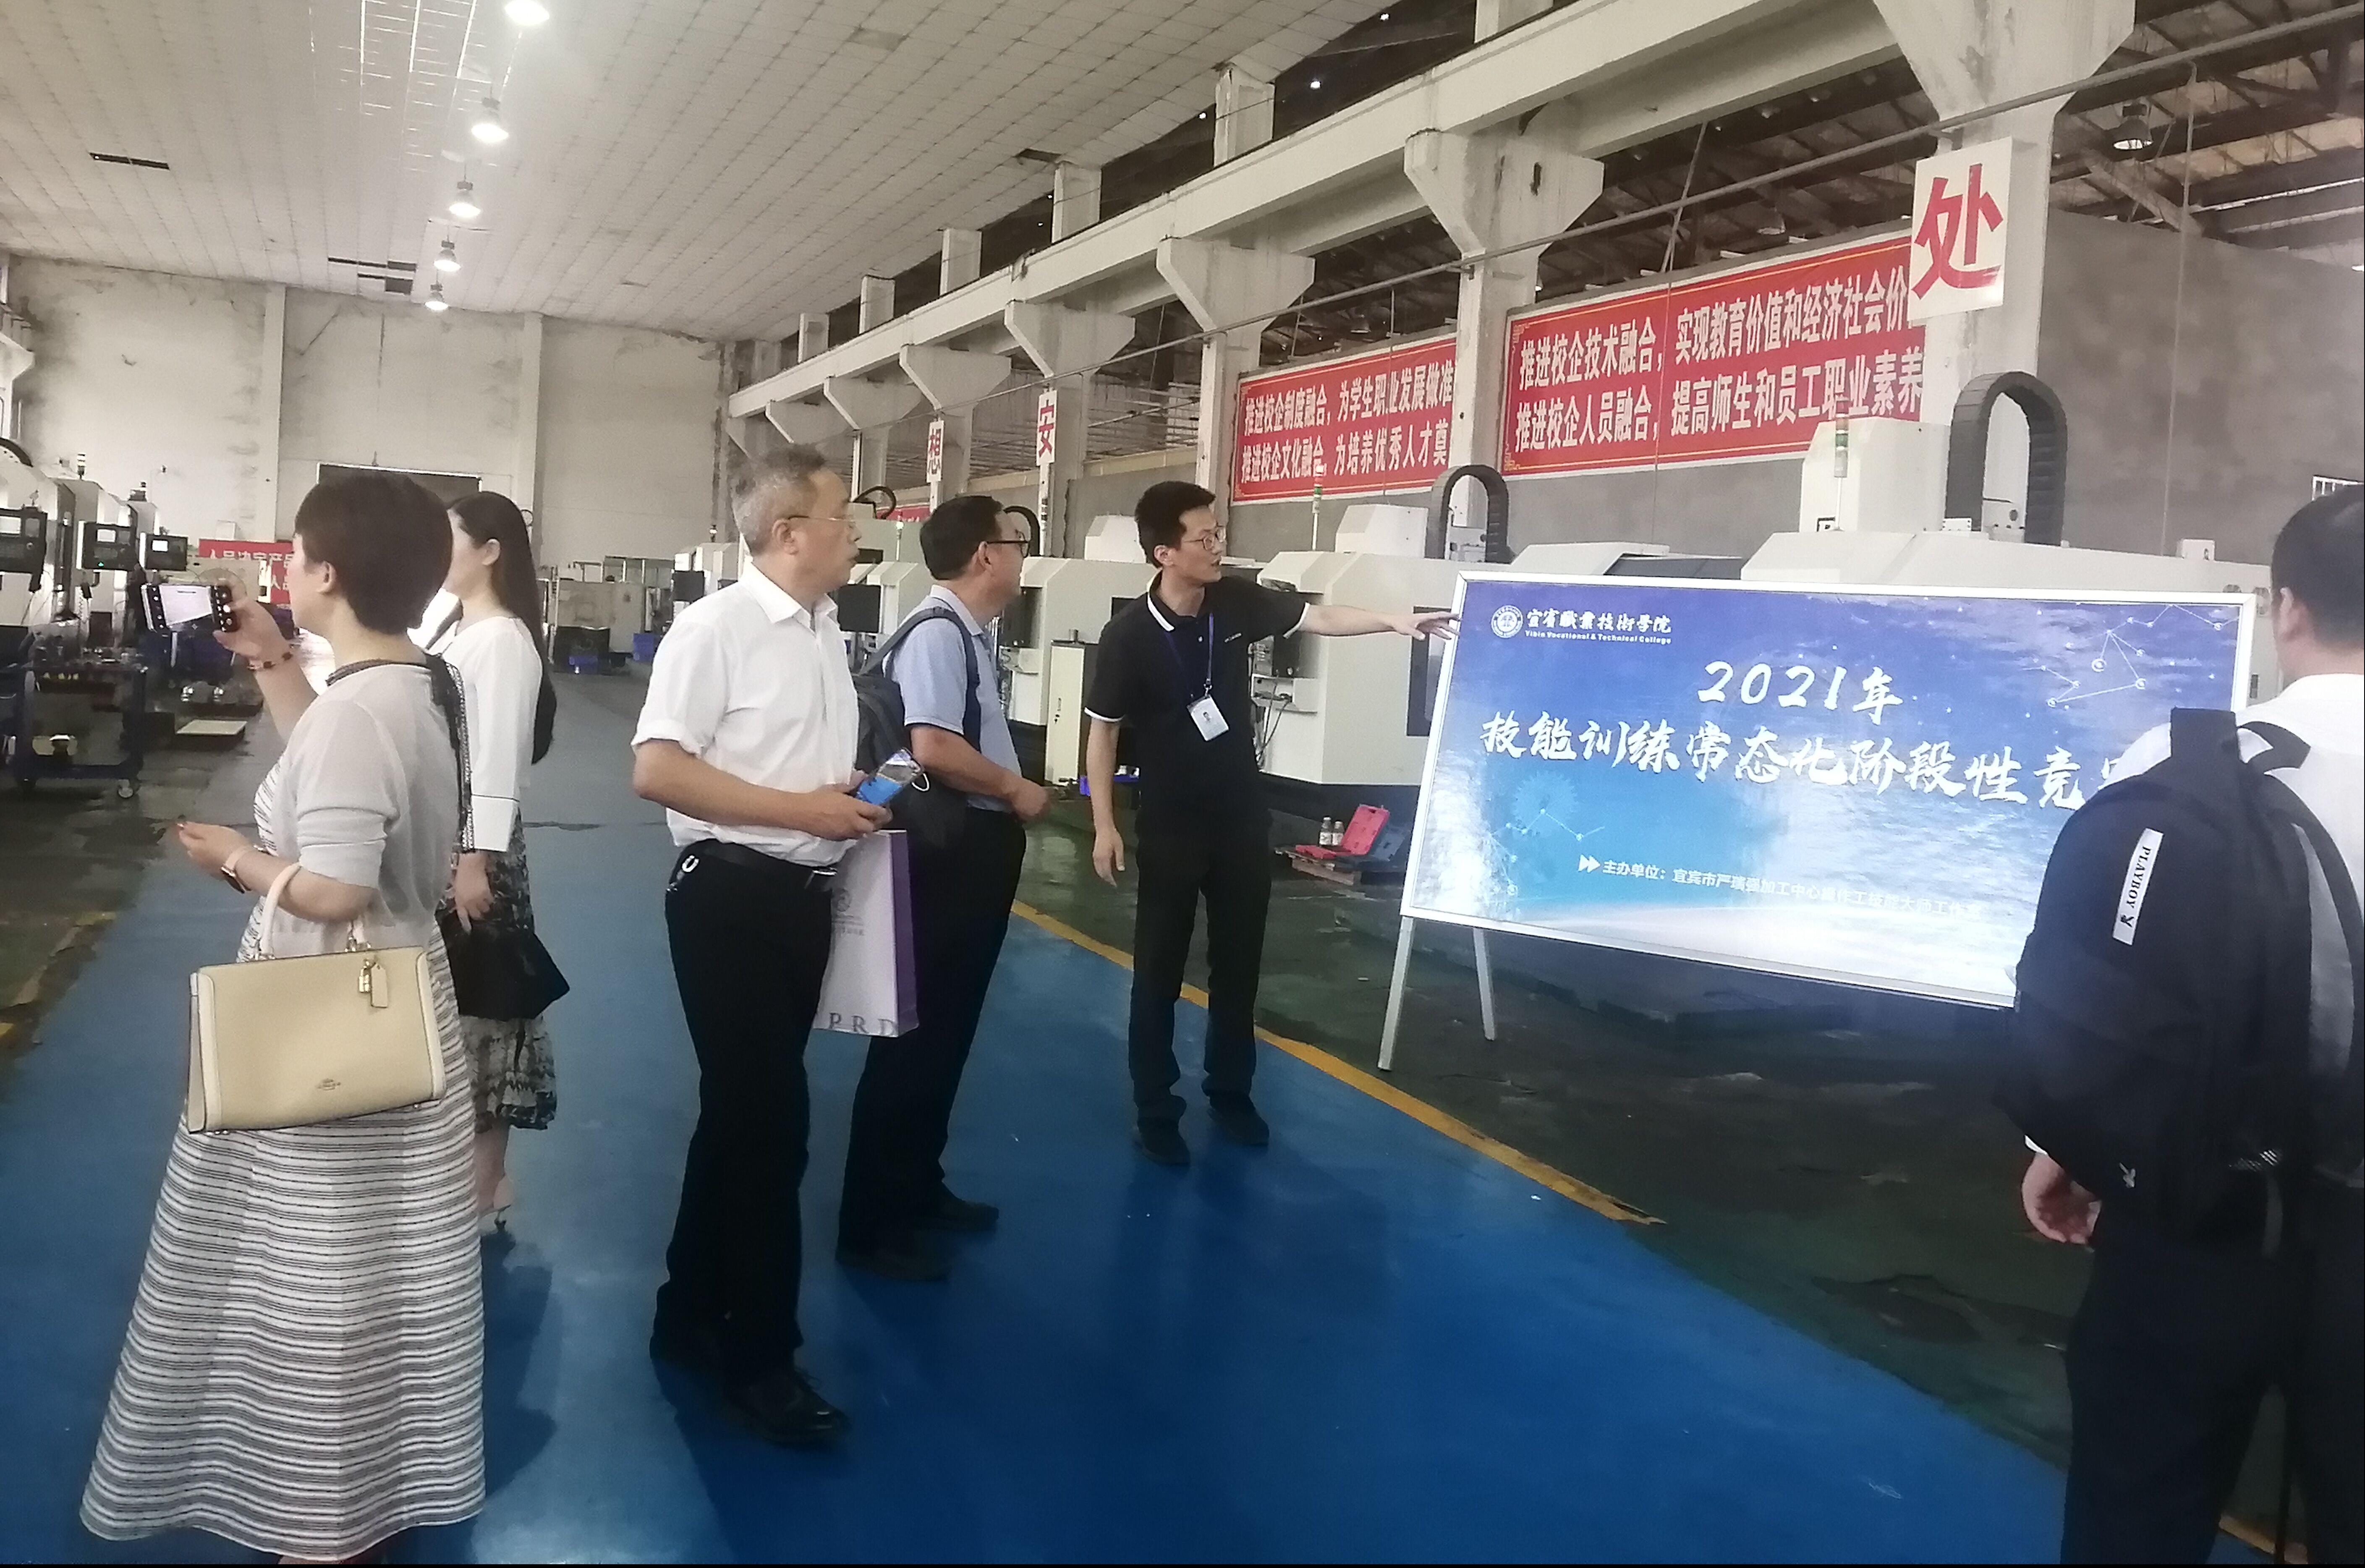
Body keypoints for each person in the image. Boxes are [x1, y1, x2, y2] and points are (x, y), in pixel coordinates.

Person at [82, 472, 481, 1560]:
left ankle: (316, 1514)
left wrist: (236, 858)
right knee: (373, 1265)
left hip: (323, 1017)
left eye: (295, 560)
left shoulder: (360, 711)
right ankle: (361, 1490)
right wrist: (271, 660)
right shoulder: (415, 686)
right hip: (399, 997)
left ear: (328, 574)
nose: (286, 574)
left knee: (312, 1273)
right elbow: (337, 763)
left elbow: (338, 885)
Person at [2019, 491, 2362, 1564]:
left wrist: (2073, 1147)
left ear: (2286, 607)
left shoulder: (2177, 766)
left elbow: (2101, 984)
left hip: (2193, 1215)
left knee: (2135, 1511)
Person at [630, 444, 887, 1448]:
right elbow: (658, 769)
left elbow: (784, 765)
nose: (855, 534)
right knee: (773, 1129)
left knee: (739, 1117)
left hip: (801, 898)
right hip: (730, 897)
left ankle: (689, 1310)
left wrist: (843, 796)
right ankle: (761, 1361)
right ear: (790, 532)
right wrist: (800, 810)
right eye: (842, 517)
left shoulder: (824, 630)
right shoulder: (717, 629)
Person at [1085, 480, 1454, 1166]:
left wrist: (1394, 621)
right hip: (1170, 823)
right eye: (1204, 537)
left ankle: (1231, 1094)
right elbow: (1102, 732)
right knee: (1158, 970)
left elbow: (1318, 617)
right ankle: (1155, 1108)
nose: (1217, 546)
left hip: (1237, 816)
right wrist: (1104, 823)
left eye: (1218, 533)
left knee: (1239, 964)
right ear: (1165, 553)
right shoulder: (1128, 636)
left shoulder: (1233, 601)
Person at [838, 496, 1051, 1281]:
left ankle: (918, 1188)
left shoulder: (961, 634)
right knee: (917, 1037)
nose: (1023, 557)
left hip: (963, 848)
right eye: (1017, 542)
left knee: (945, 1034)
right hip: (951, 854)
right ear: (985, 555)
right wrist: (1015, 788)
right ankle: (875, 1224)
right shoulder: (937, 634)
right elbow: (931, 749)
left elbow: (911, 754)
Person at [424, 491, 561, 1232]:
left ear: (490, 551)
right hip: (451, 841)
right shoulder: (458, 629)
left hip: (478, 851)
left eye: (448, 538)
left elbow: (498, 760)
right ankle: (473, 1177)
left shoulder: (503, 641)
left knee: (487, 1012)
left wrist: (476, 859)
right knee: (456, 1011)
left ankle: (484, 1185)